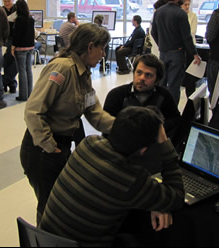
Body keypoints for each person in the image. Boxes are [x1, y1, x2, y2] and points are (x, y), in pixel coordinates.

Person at [39, 106, 184, 247]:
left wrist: (153, 200)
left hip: (43, 240)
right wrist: (164, 142)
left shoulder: (88, 144)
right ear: (144, 149)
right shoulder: (131, 180)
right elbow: (176, 197)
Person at [20, 23, 115, 224]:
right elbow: (33, 111)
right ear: (90, 47)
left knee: (57, 203)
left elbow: (94, 113)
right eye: (102, 48)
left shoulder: (83, 74)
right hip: (42, 151)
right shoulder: (62, 69)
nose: (104, 54)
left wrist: (123, 128)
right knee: (49, 206)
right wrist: (50, 146)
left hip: (59, 148)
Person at [104, 54, 181, 140]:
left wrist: (156, 127)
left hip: (153, 146)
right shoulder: (117, 95)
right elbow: (106, 129)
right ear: (134, 73)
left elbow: (175, 120)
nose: (142, 78)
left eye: (148, 75)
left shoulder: (164, 95)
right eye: (139, 72)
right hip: (122, 146)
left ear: (157, 80)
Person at [151, 0, 201, 104]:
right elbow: (186, 37)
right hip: (177, 54)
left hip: (163, 53)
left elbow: (153, 32)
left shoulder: (159, 12)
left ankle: (160, 108)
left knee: (161, 83)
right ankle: (172, 112)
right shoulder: (181, 14)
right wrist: (194, 54)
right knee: (174, 85)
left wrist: (161, 44)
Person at [11, 0, 35, 102]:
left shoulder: (19, 20)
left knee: (22, 71)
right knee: (28, 69)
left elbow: (17, 35)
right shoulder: (31, 19)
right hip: (30, 47)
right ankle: (29, 93)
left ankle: (23, 95)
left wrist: (13, 46)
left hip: (20, 47)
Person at [181, 0, 199, 98]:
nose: (187, 6)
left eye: (188, 5)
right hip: (180, 47)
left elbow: (192, 31)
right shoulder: (178, 16)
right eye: (185, 4)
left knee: (190, 72)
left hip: (190, 46)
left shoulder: (193, 16)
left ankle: (190, 93)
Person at [1, 0, 18, 94]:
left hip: (15, 39)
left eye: (8, 1)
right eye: (5, 1)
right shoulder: (1, 10)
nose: (7, 3)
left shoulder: (17, 9)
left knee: (14, 63)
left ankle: (4, 82)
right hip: (5, 39)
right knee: (6, 62)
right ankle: (11, 84)